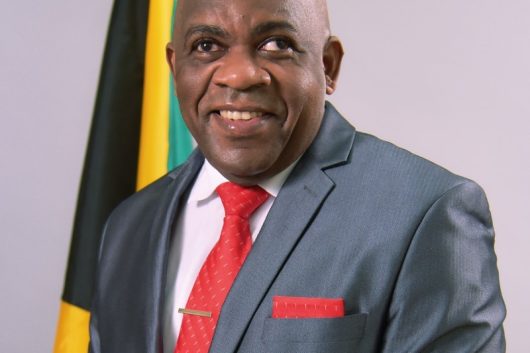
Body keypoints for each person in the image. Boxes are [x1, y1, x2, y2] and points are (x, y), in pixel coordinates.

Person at [89, 0, 506, 352]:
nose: (239, 75)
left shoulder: (426, 214)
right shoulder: (129, 224)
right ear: (174, 65)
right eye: (207, 45)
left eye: (276, 44)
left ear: (328, 66)